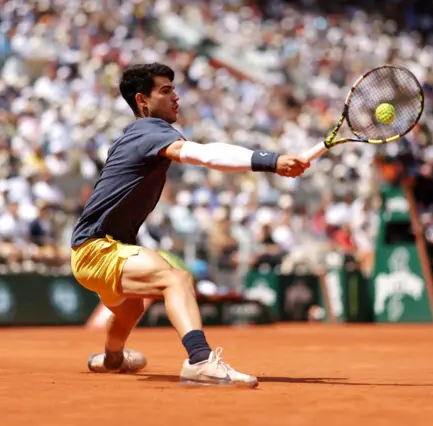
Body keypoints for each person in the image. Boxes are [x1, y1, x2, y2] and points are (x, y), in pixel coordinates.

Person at [70, 63, 310, 388]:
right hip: (96, 250)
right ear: (142, 101)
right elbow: (205, 155)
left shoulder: (135, 134)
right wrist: (269, 161)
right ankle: (199, 361)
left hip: (103, 248)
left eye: (174, 89)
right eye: (165, 91)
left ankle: (111, 360)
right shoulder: (149, 131)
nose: (176, 97)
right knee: (176, 278)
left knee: (129, 311)